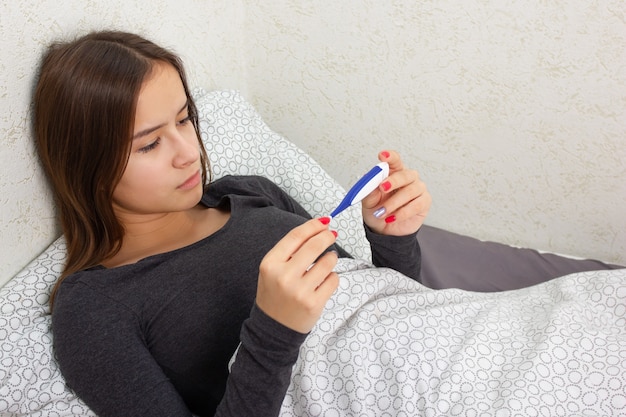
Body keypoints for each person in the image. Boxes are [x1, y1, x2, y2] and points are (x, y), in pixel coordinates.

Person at [33, 30, 431, 417]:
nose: (189, 153)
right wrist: (275, 330)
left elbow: (389, 311)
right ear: (87, 166)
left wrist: (392, 239)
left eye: (185, 119)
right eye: (150, 143)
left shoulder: (250, 192)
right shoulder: (93, 308)